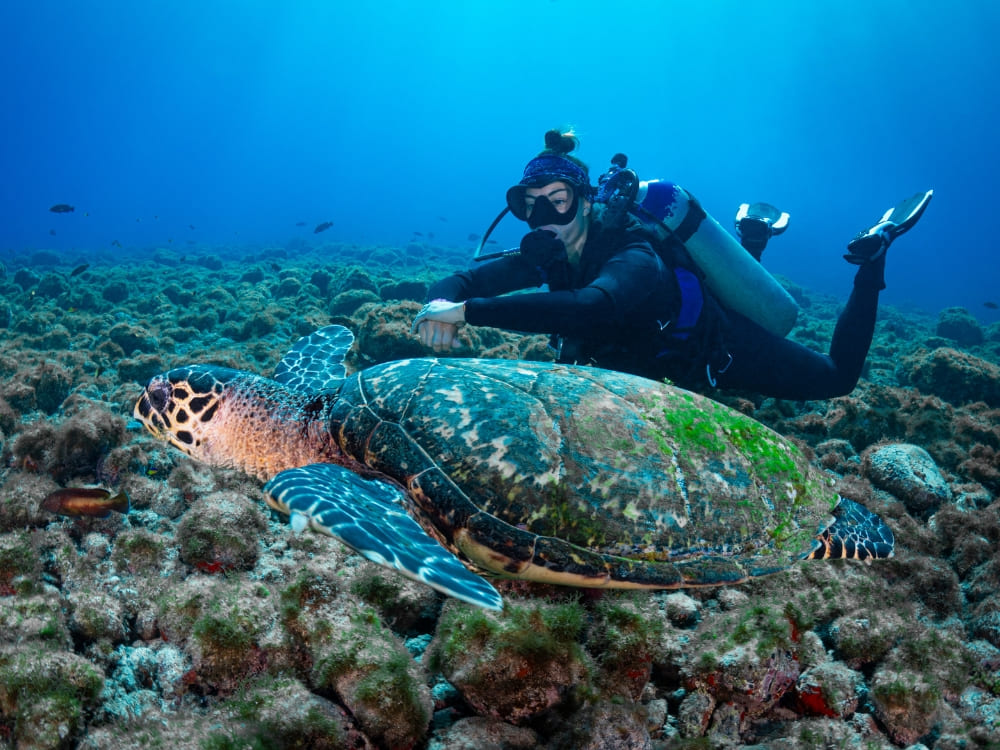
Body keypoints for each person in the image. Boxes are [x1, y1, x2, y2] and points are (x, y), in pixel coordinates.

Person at [412, 129, 932, 401]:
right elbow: (463, 280)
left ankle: (875, 256)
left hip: (713, 348)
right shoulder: (550, 250)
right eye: (531, 203)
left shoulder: (632, 253)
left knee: (835, 380)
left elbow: (592, 307)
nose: (545, 215)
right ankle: (752, 236)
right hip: (644, 362)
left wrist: (467, 314)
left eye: (559, 199)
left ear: (587, 201)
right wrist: (439, 305)